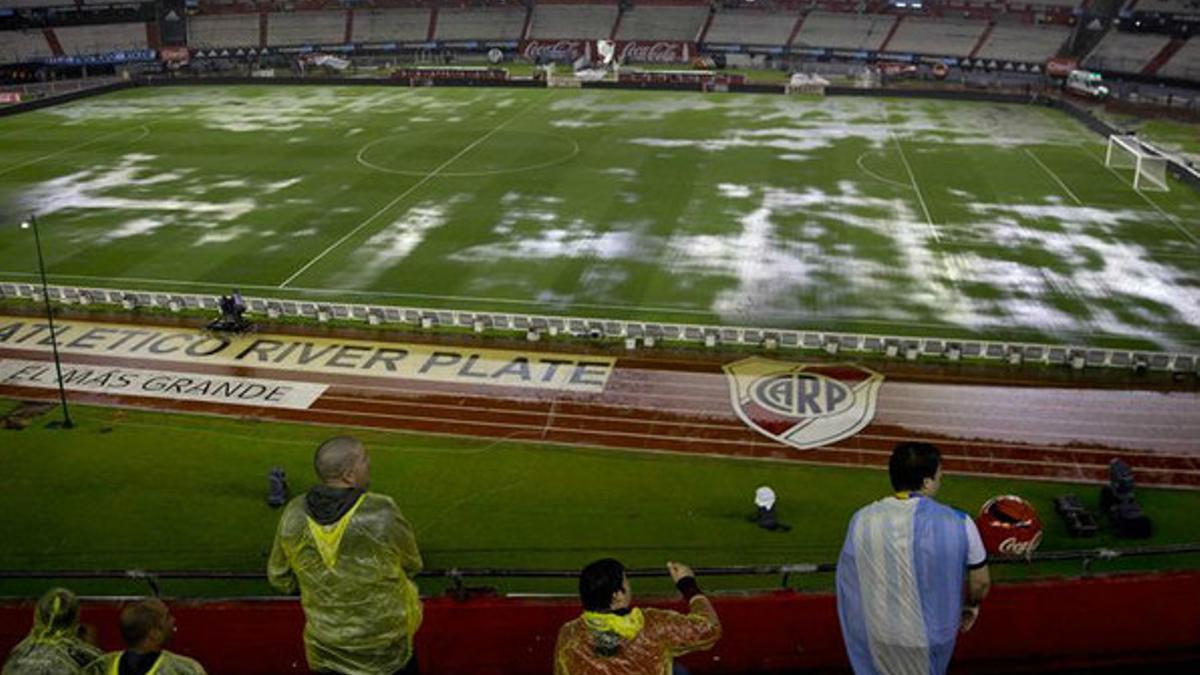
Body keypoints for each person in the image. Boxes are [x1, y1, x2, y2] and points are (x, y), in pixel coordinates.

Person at [269, 436, 423, 675]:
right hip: (385, 648)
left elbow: (279, 577)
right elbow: (412, 563)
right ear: (348, 475)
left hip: (325, 647)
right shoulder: (380, 512)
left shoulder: (294, 513)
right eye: (364, 459)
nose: (369, 463)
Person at [836, 442, 990, 675]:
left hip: (879, 632)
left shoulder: (861, 518)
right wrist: (973, 605)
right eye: (939, 475)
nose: (941, 480)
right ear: (927, 482)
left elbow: (851, 576)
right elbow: (981, 582)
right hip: (935, 634)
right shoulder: (960, 521)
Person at [554, 558, 721, 675]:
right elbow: (708, 628)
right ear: (617, 595)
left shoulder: (569, 634)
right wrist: (687, 585)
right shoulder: (651, 624)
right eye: (626, 580)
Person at [85, 598, 206, 675]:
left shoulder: (99, 667)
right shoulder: (185, 670)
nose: (173, 620)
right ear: (154, 634)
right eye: (167, 617)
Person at [2, 587, 101, 675]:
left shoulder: (18, 652)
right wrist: (90, 646)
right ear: (74, 619)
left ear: (38, 615)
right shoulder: (86, 657)